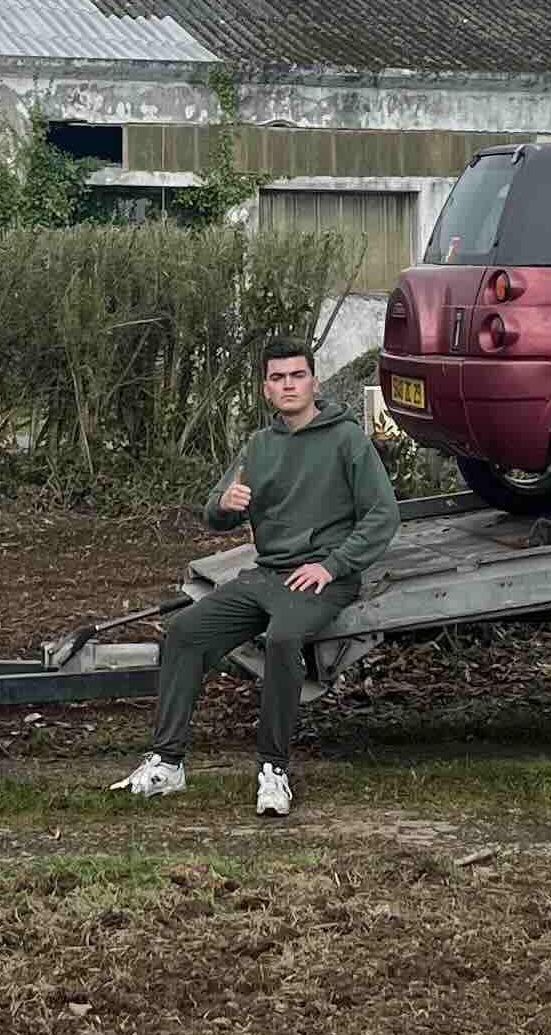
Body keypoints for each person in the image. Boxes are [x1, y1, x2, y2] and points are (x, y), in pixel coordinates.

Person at [115, 337, 399, 817]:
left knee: (284, 640)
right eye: (277, 378)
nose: (288, 385)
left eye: (297, 375)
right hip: (269, 573)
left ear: (313, 381)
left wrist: (332, 565)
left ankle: (273, 770)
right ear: (266, 389)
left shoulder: (346, 439)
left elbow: (382, 515)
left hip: (322, 577)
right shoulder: (259, 445)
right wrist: (222, 506)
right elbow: (219, 507)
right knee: (184, 632)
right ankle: (168, 762)